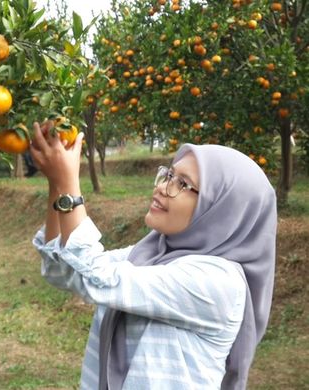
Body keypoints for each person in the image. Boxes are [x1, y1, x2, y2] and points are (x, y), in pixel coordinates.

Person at [29, 120, 276, 389]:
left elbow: (96, 276)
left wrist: (68, 186)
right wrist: (57, 185)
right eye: (169, 175)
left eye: (183, 184)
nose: (162, 187)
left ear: (222, 212)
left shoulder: (219, 283)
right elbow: (64, 270)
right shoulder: (150, 255)